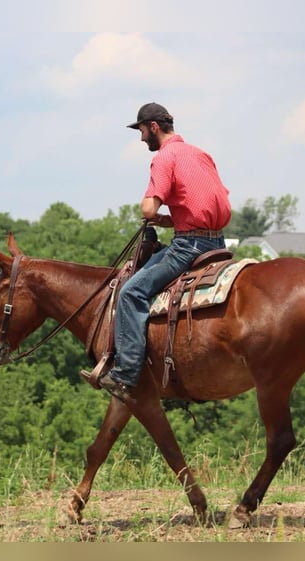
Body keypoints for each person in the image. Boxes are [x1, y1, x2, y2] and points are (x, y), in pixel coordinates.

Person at [98, 102, 232, 402]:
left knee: (130, 293)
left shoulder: (165, 157)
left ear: (154, 127)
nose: (142, 138)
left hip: (189, 246)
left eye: (142, 130)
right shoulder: (200, 153)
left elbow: (147, 208)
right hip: (218, 243)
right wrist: (171, 220)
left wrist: (152, 213)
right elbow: (208, 205)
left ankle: (125, 374)